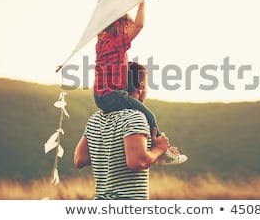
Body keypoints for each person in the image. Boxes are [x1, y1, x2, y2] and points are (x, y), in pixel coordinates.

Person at [92, 1, 186, 165]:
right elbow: (139, 25)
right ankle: (162, 152)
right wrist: (141, 2)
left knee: (120, 116)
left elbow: (103, 27)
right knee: (149, 116)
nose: (130, 29)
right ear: (122, 27)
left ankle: (146, 145)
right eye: (128, 26)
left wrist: (109, 11)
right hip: (113, 95)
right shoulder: (116, 44)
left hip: (98, 98)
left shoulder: (100, 43)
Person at [74, 62, 186, 200]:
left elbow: (80, 159)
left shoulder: (95, 119)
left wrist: (152, 152)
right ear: (141, 86)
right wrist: (159, 149)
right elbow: (137, 162)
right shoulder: (135, 116)